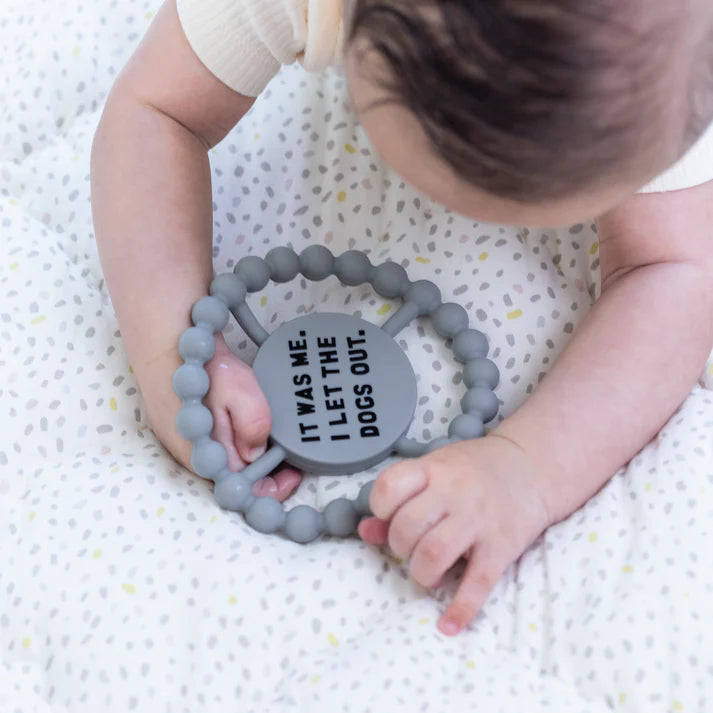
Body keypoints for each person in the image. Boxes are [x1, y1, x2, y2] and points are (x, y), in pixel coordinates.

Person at [90, 0, 713, 637]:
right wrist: (175, 350)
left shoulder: (663, 60)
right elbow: (155, 112)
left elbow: (675, 272)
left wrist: (529, 467)